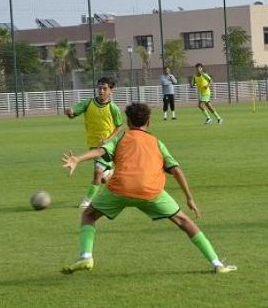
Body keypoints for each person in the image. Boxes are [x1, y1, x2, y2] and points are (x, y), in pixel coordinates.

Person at [60, 102, 237, 275]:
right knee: (184, 222)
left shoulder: (121, 137)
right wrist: (189, 198)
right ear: (149, 122)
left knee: (89, 215)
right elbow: (176, 170)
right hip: (150, 191)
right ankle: (217, 263)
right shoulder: (156, 142)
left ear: (128, 122)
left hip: (119, 189)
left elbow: (100, 152)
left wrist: (77, 159)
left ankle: (86, 256)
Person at [64, 76, 124, 208]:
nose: (101, 91)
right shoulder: (88, 103)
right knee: (103, 177)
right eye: (100, 88)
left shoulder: (113, 108)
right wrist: (69, 112)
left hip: (107, 146)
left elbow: (119, 126)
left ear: (111, 91)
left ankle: (87, 201)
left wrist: (108, 139)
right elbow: (73, 114)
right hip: (93, 144)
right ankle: (114, 176)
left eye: (105, 88)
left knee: (97, 171)